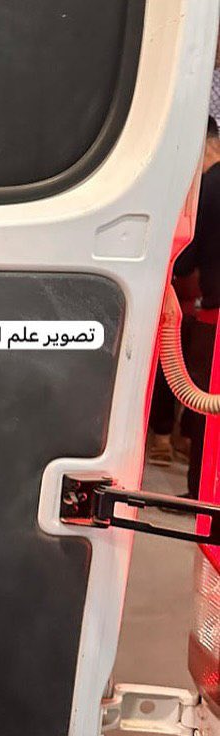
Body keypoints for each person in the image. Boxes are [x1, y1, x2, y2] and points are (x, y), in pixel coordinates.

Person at [147, 116, 220, 493]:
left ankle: (200, 494)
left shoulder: (210, 183)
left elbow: (189, 254)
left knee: (207, 417)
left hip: (212, 314)